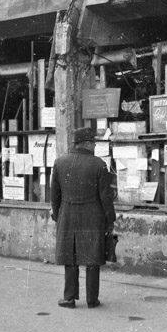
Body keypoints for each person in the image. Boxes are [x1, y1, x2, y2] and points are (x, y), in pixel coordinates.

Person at [50, 127, 116, 309]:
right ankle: (92, 299)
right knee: (92, 257)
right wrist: (110, 220)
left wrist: (57, 216)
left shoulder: (59, 163)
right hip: (93, 216)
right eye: (93, 142)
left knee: (70, 257)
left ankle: (69, 298)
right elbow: (106, 197)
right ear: (86, 143)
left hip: (67, 215)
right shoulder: (99, 165)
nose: (95, 145)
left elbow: (54, 195)